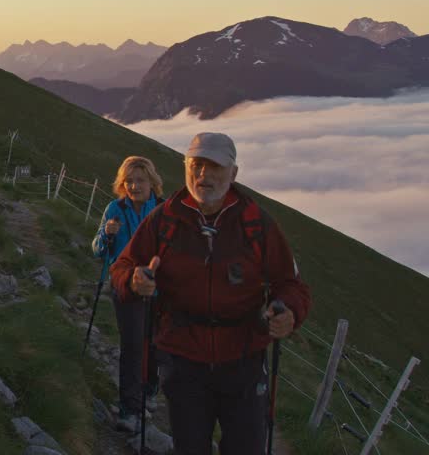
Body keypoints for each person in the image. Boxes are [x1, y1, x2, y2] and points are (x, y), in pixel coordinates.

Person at [110, 133, 311, 454]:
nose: (204, 174)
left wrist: (288, 311)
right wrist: (134, 281)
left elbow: (291, 284)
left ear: (233, 173)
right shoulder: (164, 220)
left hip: (243, 361)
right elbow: (122, 266)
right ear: (186, 167)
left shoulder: (256, 225)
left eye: (214, 166)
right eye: (197, 165)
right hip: (184, 362)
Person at [92, 155, 164, 432]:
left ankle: (150, 386)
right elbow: (98, 249)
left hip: (159, 286)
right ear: (122, 184)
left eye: (140, 180)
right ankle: (129, 409)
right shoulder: (115, 208)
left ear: (152, 182)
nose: (134, 186)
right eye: (129, 181)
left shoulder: (161, 208)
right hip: (124, 284)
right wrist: (106, 235)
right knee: (133, 345)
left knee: (156, 342)